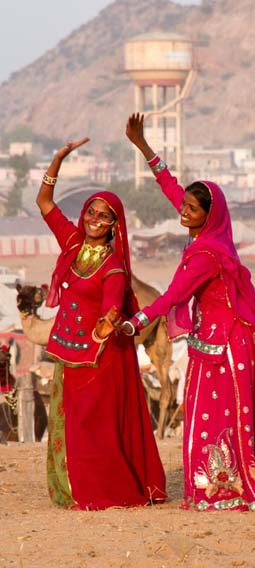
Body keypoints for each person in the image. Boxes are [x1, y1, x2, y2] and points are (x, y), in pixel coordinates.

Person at [123, 113, 255, 512]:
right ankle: (234, 487)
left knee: (215, 419)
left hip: (226, 347)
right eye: (185, 206)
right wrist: (144, 147)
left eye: (192, 209)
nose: (184, 212)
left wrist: (137, 322)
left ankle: (229, 491)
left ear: (207, 215)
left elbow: (172, 296)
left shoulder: (205, 254)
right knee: (218, 418)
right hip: (217, 341)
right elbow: (172, 190)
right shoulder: (213, 235)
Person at [36, 138, 166, 510]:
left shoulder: (112, 265)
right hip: (69, 351)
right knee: (72, 422)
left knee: (94, 427)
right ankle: (75, 487)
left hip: (98, 355)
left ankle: (101, 490)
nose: (95, 220)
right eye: (91, 212)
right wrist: (57, 160)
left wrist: (109, 320)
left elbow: (112, 303)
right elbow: (44, 204)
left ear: (114, 225)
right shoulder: (73, 243)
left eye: (104, 216)